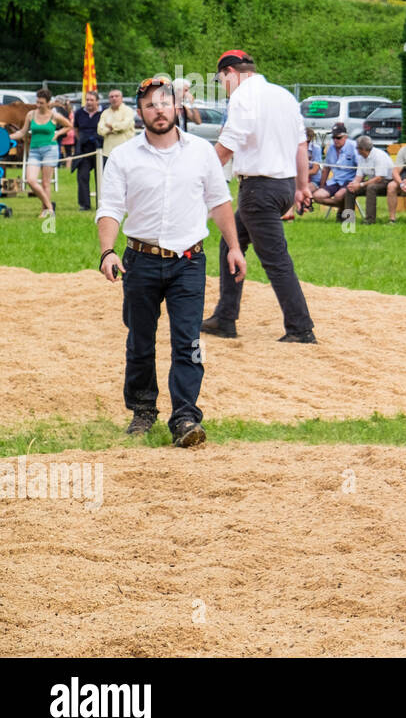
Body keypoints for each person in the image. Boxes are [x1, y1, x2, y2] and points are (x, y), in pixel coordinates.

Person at [96, 77, 246, 447]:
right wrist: (107, 251)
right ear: (140, 113)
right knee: (141, 341)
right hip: (140, 261)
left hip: (189, 262)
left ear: (176, 107)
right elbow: (110, 207)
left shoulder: (201, 152)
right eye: (149, 105)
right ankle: (143, 409)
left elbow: (219, 201)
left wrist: (234, 246)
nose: (158, 110)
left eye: (164, 103)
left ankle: (185, 417)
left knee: (188, 341)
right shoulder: (124, 157)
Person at [202, 49, 317, 343]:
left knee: (277, 261)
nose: (223, 87)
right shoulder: (284, 96)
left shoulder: (242, 96)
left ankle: (301, 328)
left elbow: (229, 143)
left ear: (230, 72)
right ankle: (225, 318)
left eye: (221, 80)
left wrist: (199, 175)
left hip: (259, 190)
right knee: (231, 242)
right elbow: (301, 145)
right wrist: (302, 187)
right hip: (282, 186)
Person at [11, 88, 72, 217]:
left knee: (45, 183)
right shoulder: (31, 114)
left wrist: (58, 134)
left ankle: (45, 210)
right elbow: (22, 132)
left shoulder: (54, 115)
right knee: (31, 180)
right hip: (34, 151)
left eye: (41, 103)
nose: (38, 105)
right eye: (37, 102)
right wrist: (8, 137)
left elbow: (69, 126)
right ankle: (50, 207)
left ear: (48, 103)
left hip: (50, 150)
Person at [343, 135, 393, 224]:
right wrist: (354, 184)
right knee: (350, 189)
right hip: (372, 181)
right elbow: (359, 176)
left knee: (371, 188)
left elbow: (379, 178)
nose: (356, 150)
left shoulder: (379, 156)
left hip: (386, 182)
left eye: (357, 148)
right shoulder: (362, 157)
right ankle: (348, 219)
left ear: (362, 149)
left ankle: (370, 219)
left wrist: (361, 185)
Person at [313, 123, 360, 217]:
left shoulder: (354, 147)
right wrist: (322, 185)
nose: (335, 140)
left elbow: (361, 168)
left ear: (345, 137)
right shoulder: (330, 148)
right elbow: (326, 168)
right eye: (333, 137)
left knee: (339, 196)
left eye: (338, 138)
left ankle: (342, 207)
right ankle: (341, 205)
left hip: (350, 181)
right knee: (317, 196)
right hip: (335, 181)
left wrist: (356, 183)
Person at [72, 90, 106, 210]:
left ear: (97, 101)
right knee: (82, 176)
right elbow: (75, 128)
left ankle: (101, 203)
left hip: (100, 148)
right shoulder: (79, 113)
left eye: (92, 100)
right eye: (87, 100)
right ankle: (84, 204)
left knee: (101, 177)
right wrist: (81, 139)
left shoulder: (104, 113)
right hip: (84, 149)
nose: (89, 102)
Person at [98, 87, 138, 157]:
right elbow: (100, 130)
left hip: (126, 152)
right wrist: (115, 129)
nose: (114, 98)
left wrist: (110, 126)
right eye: (111, 97)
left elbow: (124, 126)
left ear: (121, 98)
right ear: (109, 99)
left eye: (116, 96)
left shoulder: (128, 111)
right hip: (108, 153)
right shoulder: (105, 113)